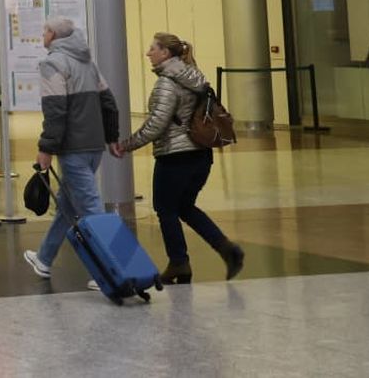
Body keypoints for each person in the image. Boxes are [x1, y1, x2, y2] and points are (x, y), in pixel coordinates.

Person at [118, 32, 244, 283]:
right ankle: (227, 249)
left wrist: (126, 145)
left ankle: (179, 263)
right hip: (201, 155)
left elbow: (156, 125)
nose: (148, 53)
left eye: (153, 48)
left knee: (165, 209)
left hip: (176, 156)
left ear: (166, 53)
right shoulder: (195, 77)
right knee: (184, 207)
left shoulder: (167, 83)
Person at [23, 17, 120, 280]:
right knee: (68, 204)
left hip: (73, 148)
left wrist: (46, 148)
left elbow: (55, 110)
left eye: (44, 31)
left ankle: (109, 273)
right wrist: (111, 137)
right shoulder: (87, 62)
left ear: (53, 34)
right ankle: (44, 258)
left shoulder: (53, 63)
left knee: (91, 209)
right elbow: (109, 103)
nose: (42, 35)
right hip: (93, 146)